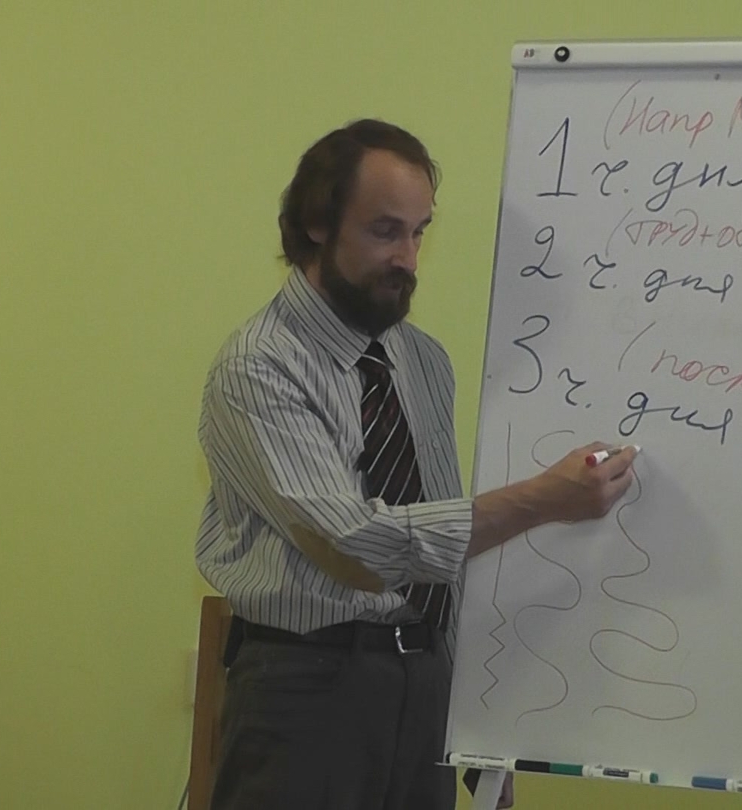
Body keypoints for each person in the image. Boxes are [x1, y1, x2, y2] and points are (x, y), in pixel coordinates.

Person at [193, 118, 637, 810]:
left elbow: (437, 568)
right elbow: (354, 546)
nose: (407, 257)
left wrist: (477, 726)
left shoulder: (421, 359)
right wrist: (543, 499)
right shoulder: (260, 367)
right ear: (317, 224)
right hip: (307, 691)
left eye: (419, 232)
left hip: (422, 683)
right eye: (385, 231)